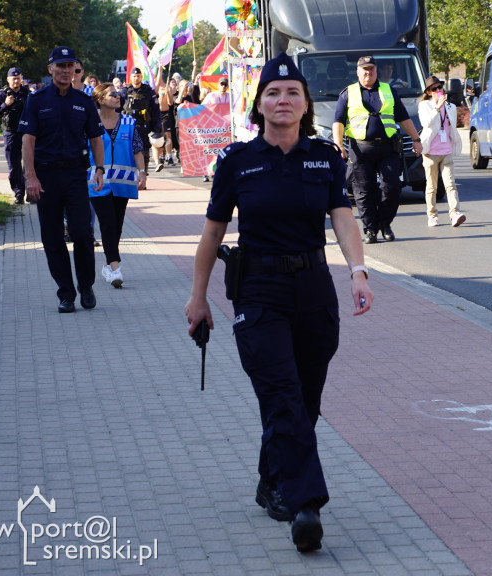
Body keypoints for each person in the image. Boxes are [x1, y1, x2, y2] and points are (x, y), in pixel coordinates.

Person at [184, 51, 373, 553]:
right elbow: (212, 233)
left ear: (306, 103)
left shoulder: (325, 157)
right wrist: (197, 297)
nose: (282, 99)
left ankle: (272, 480)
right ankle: (305, 504)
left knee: (304, 400)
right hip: (258, 291)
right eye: (273, 92)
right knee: (283, 395)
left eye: (292, 92)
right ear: (259, 104)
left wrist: (358, 271)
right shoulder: (236, 162)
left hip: (314, 288)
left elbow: (343, 218)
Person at [19, 46, 105, 314]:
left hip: (76, 175)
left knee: (82, 232)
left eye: (71, 66)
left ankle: (86, 286)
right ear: (50, 69)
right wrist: (30, 177)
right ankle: (66, 293)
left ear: (76, 70)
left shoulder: (84, 101)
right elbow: (27, 141)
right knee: (53, 237)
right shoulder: (36, 100)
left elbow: (95, 137)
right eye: (61, 66)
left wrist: (99, 169)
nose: (67, 71)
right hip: (45, 178)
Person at [332, 55, 424, 244]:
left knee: (391, 187)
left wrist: (416, 139)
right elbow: (338, 121)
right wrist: (338, 144)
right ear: (358, 72)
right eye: (364, 70)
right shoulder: (348, 93)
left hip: (387, 148)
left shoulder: (388, 91)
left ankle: (385, 224)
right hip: (360, 150)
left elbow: (403, 118)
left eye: (371, 69)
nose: (368, 73)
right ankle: (370, 230)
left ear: (376, 70)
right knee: (363, 191)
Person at [88, 83, 145, 289]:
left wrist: (142, 172)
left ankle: (107, 264)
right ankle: (115, 268)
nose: (118, 97)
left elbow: (137, 149)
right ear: (101, 100)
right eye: (113, 95)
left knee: (117, 226)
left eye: (118, 94)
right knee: (107, 223)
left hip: (123, 183)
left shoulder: (129, 121)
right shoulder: (90, 121)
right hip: (97, 183)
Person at [418, 75, 466, 227]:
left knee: (450, 184)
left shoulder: (450, 106)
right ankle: (432, 215)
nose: (438, 90)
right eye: (434, 89)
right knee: (432, 186)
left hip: (446, 151)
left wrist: (444, 107)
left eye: (440, 87)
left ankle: (455, 213)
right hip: (431, 152)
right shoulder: (424, 106)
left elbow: (451, 127)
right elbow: (426, 123)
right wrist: (437, 108)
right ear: (429, 92)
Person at [0, 67, 30, 204]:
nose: (17, 80)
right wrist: (5, 105)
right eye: (14, 78)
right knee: (14, 165)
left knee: (30, 163)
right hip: (11, 132)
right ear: (8, 79)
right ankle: (18, 193)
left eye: (18, 78)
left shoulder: (27, 93)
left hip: (27, 132)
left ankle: (30, 193)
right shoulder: (2, 94)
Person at [123, 67, 161, 174]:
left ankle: (144, 173)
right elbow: (118, 108)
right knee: (128, 150)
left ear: (141, 77)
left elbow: (155, 110)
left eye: (138, 76)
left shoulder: (148, 91)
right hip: (129, 126)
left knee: (144, 150)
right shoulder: (125, 91)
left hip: (144, 125)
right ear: (131, 77)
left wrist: (157, 127)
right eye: (134, 76)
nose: (136, 78)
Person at [156, 75, 179, 170]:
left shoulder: (166, 88)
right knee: (160, 136)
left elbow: (170, 103)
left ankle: (169, 157)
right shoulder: (156, 88)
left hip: (166, 114)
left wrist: (168, 93)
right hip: (157, 114)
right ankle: (161, 156)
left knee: (168, 135)